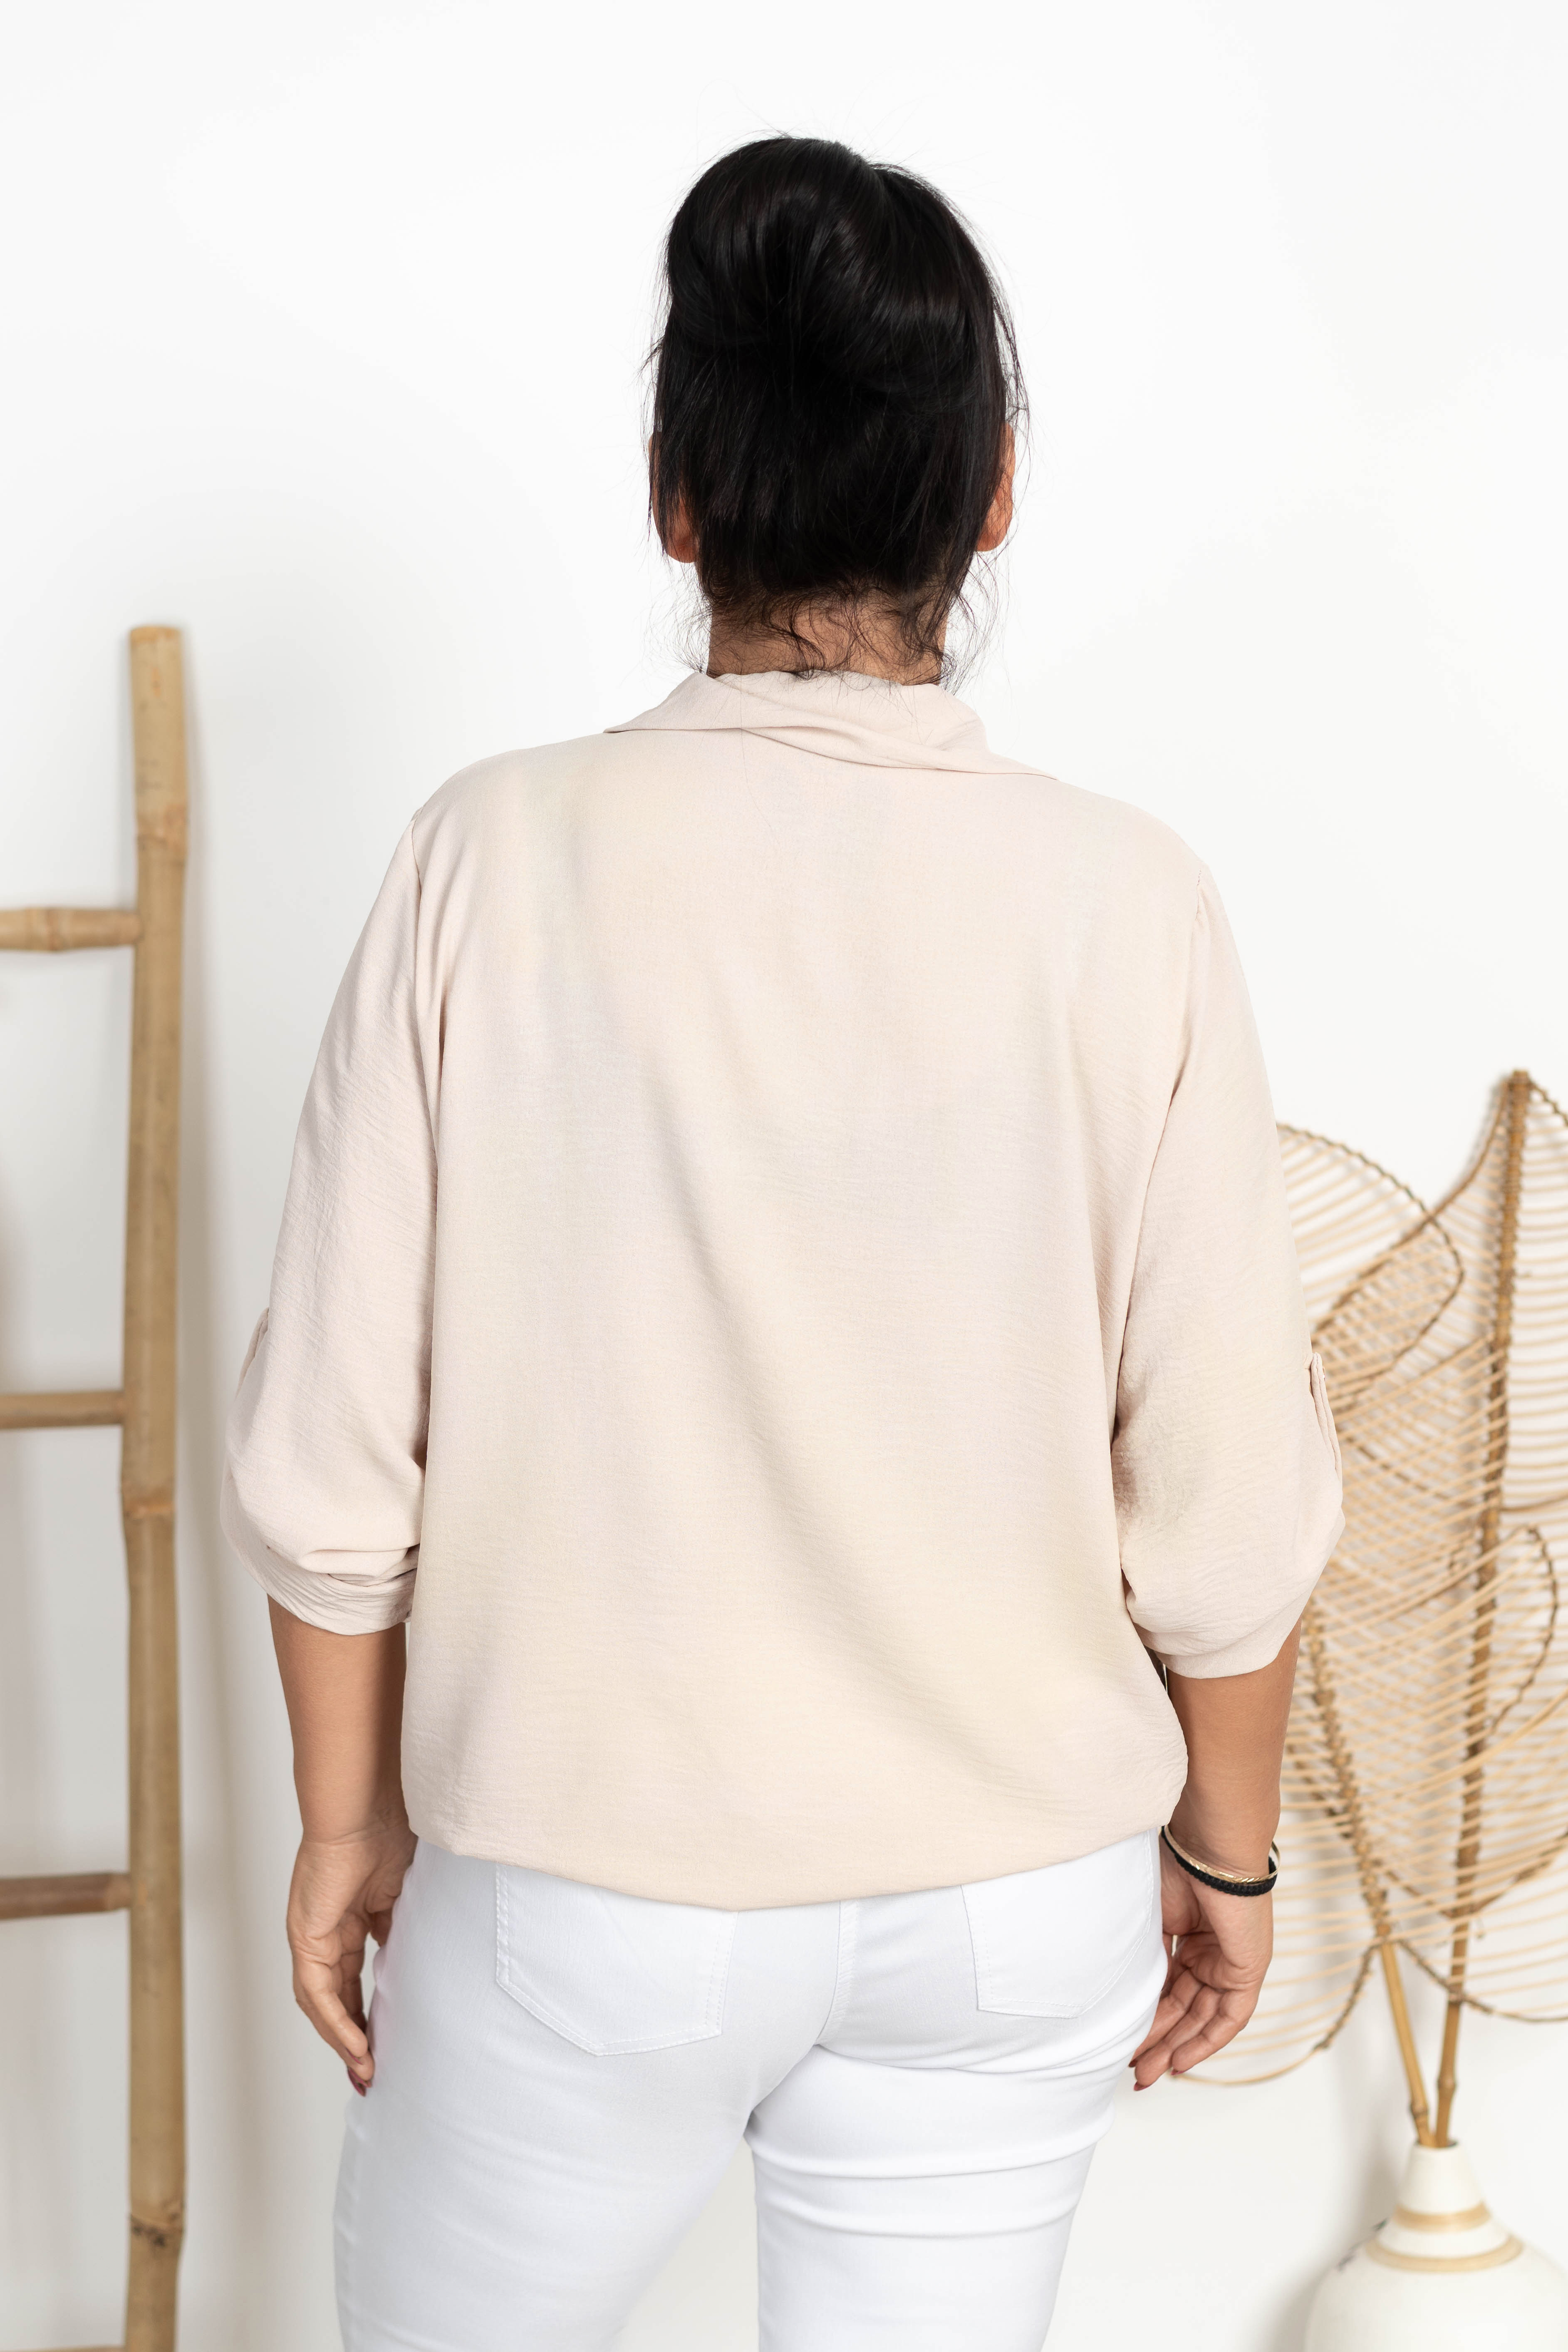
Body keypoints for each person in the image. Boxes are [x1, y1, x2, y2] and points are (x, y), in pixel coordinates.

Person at [222, 134, 1344, 2352]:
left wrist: (348, 1821)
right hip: (1014, 1899)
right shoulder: (1128, 900)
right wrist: (1227, 1849)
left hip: (581, 1887)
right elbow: (1224, 1500)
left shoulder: (488, 857)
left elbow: (334, 1453)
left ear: (679, 500)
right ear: (991, 496)